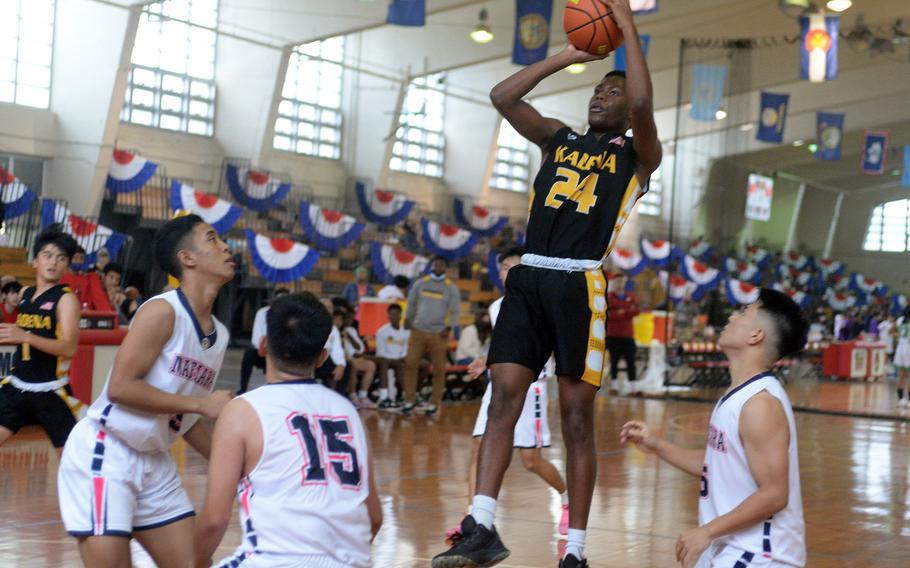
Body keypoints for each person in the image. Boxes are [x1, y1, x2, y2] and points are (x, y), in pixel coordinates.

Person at [432, 2, 661, 565]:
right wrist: (567, 54)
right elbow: (503, 97)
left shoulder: (638, 157)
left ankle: (576, 550)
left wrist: (626, 26)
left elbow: (640, 100)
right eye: (596, 92)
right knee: (504, 393)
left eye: (610, 93)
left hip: (580, 285)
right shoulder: (558, 139)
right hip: (531, 276)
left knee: (577, 420)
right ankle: (481, 523)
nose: (600, 98)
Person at [56, 214, 235, 567]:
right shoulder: (162, 312)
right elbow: (121, 388)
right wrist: (201, 404)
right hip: (106, 453)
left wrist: (230, 464)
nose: (226, 246)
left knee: (193, 563)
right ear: (188, 258)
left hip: (155, 461)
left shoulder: (220, 335)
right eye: (212, 238)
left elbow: (183, 416)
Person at [620, 288, 808, 568]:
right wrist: (658, 446)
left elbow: (775, 494)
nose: (733, 316)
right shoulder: (740, 394)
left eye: (745, 312)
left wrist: (707, 531)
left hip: (760, 555)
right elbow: (718, 466)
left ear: (756, 336)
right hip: (734, 548)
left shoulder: (760, 405)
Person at [193, 292, 382, 568]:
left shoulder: (243, 410)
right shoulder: (349, 413)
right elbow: (373, 517)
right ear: (322, 357)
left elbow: (214, 521)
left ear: (263, 345)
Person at [446, 246, 569, 544]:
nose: (504, 273)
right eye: (501, 267)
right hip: (498, 386)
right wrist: (484, 360)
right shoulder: (496, 307)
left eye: (510, 267)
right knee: (478, 450)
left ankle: (567, 499)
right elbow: (505, 347)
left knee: (531, 461)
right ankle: (474, 519)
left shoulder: (543, 304)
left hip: (531, 388)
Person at [0, 226, 81, 452]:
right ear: (35, 261)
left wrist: (25, 336)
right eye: (47, 255)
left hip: (50, 391)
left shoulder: (66, 300)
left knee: (73, 462)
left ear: (66, 265)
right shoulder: (25, 294)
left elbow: (69, 348)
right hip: (17, 386)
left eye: (61, 258)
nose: (53, 262)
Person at [403, 255, 461, 417]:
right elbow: (411, 302)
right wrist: (407, 318)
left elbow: (456, 310)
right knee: (410, 363)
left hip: (439, 333)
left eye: (441, 265)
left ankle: (434, 403)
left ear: (445, 268)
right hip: (418, 330)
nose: (438, 267)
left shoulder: (451, 288)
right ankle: (409, 400)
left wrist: (449, 326)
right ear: (432, 265)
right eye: (436, 264)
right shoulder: (421, 283)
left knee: (439, 369)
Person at [237, 288, 289, 395]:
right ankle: (243, 387)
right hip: (264, 351)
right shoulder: (262, 313)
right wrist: (267, 349)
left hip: (283, 354)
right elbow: (256, 338)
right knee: (249, 354)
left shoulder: (292, 317)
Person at [606, 273, 640, 392]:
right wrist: (626, 310)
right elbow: (609, 315)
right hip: (613, 335)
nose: (620, 284)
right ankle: (614, 386)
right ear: (613, 283)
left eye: (622, 282)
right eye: (617, 282)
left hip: (628, 335)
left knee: (631, 360)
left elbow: (636, 311)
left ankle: (633, 388)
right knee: (614, 361)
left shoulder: (630, 296)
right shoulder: (609, 297)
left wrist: (620, 311)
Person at [338, 308, 377, 409]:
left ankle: (363, 396)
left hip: (355, 357)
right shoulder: (335, 330)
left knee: (371, 365)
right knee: (352, 366)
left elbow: (360, 348)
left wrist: (349, 336)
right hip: (343, 359)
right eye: (348, 318)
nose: (350, 321)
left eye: (352, 318)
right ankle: (352, 395)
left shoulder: (352, 330)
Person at [375, 303, 410, 409]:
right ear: (388, 316)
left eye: (396, 314)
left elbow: (405, 348)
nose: (393, 317)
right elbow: (381, 351)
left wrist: (402, 357)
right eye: (391, 314)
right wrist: (395, 359)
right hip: (386, 359)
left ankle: (408, 396)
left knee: (422, 365)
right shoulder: (381, 331)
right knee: (386, 363)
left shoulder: (407, 331)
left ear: (400, 316)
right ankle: (384, 397)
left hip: (400, 359)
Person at [60, 245, 113, 312]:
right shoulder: (60, 277)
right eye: (75, 258)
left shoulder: (88, 278)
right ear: (69, 259)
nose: (78, 261)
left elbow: (99, 298)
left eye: (81, 258)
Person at [316, 297, 347, 387]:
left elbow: (337, 349)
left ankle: (337, 396)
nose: (327, 310)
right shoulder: (310, 323)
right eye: (324, 307)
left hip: (326, 358)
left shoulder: (333, 328)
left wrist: (341, 365)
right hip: (312, 358)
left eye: (330, 308)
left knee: (346, 366)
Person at [893, 307, 910, 407]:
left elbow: (890, 331)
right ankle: (908, 401)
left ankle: (900, 400)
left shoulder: (899, 320)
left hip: (900, 348)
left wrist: (899, 336)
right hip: (908, 348)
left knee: (901, 376)